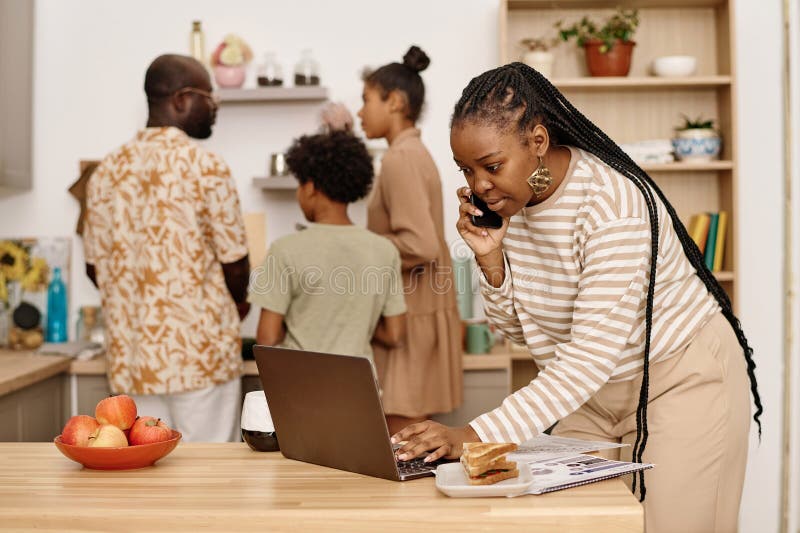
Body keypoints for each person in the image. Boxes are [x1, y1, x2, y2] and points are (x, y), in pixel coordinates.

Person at [392, 63, 762, 533]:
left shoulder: (612, 206)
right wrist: (492, 261)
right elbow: (518, 333)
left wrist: (474, 434)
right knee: (571, 521)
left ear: (538, 143)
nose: (479, 184)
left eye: (492, 165)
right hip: (590, 397)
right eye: (466, 169)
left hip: (679, 378)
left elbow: (587, 356)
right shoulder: (512, 206)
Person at [83, 54, 250, 442]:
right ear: (180, 100)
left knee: (146, 480)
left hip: (133, 362)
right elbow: (236, 265)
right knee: (206, 478)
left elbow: (95, 267)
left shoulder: (106, 172)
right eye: (209, 97)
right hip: (201, 359)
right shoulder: (207, 166)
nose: (214, 108)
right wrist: (239, 302)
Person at [357, 46, 463, 434]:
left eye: (366, 100)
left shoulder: (399, 158)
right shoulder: (414, 152)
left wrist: (362, 251)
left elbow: (419, 244)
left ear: (395, 102)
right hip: (419, 311)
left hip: (410, 316)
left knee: (403, 446)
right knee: (413, 447)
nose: (359, 112)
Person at [248, 130, 407, 365]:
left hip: (301, 386)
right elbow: (394, 334)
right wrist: (353, 328)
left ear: (310, 187)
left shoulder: (285, 249)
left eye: (299, 185)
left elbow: (267, 337)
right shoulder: (384, 250)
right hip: (359, 389)